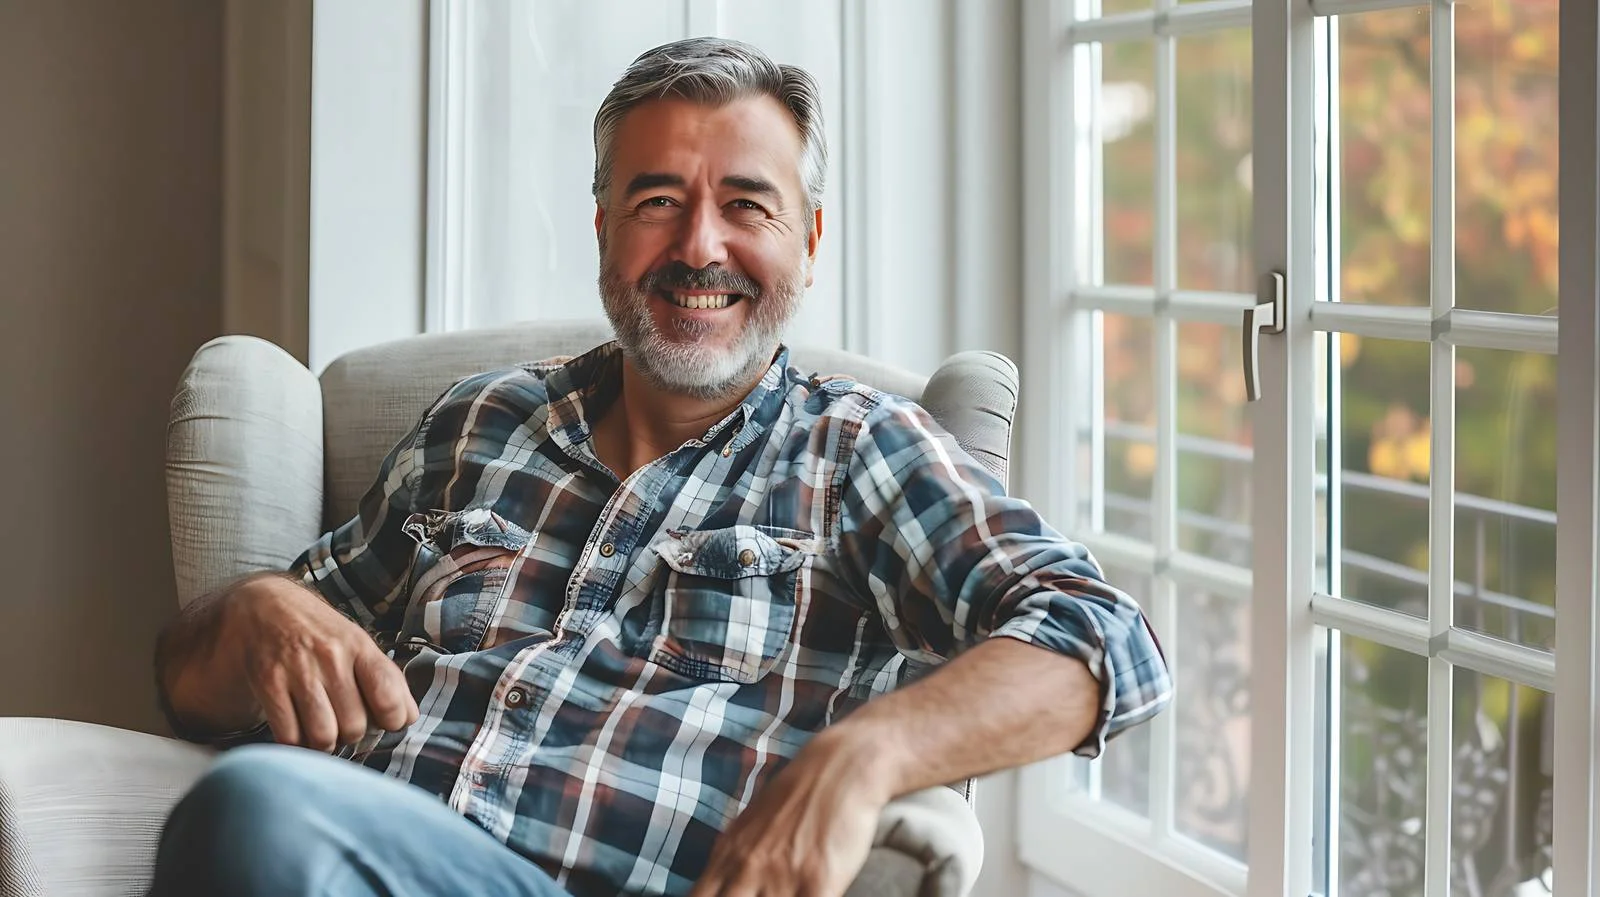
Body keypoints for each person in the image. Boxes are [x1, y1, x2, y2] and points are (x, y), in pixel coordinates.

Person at [148, 37, 1172, 897]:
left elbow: (1103, 639)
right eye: (656, 201)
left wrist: (866, 756)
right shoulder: (477, 423)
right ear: (603, 231)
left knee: (256, 811)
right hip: (371, 859)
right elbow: (198, 690)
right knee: (251, 812)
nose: (699, 246)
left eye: (746, 205)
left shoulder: (861, 450)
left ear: (808, 242)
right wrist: (251, 610)